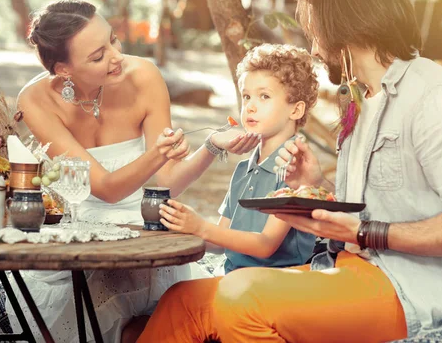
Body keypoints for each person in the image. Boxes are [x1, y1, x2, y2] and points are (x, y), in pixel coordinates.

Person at [207, 0, 442, 343]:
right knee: (185, 302)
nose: (314, 49)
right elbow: (371, 211)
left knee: (238, 298)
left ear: (347, 27)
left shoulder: (438, 100)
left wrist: (366, 232)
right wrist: (317, 186)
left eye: (317, 32)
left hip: (409, 292)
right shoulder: (358, 102)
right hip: (347, 269)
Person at [11, 0, 260, 343]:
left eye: (113, 40)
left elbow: (167, 185)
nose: (116, 57)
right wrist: (157, 155)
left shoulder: (143, 75)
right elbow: (106, 189)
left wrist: (211, 146)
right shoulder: (35, 100)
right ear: (64, 69)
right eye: (98, 56)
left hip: (150, 233)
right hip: (86, 239)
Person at [136, 43, 320, 343]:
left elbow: (265, 245)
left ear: (296, 109)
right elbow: (221, 240)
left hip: (275, 286)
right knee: (171, 302)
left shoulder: (293, 165)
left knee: (181, 301)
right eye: (246, 96)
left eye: (264, 96)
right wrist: (179, 226)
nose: (249, 106)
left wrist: (201, 226)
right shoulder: (244, 168)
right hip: (235, 281)